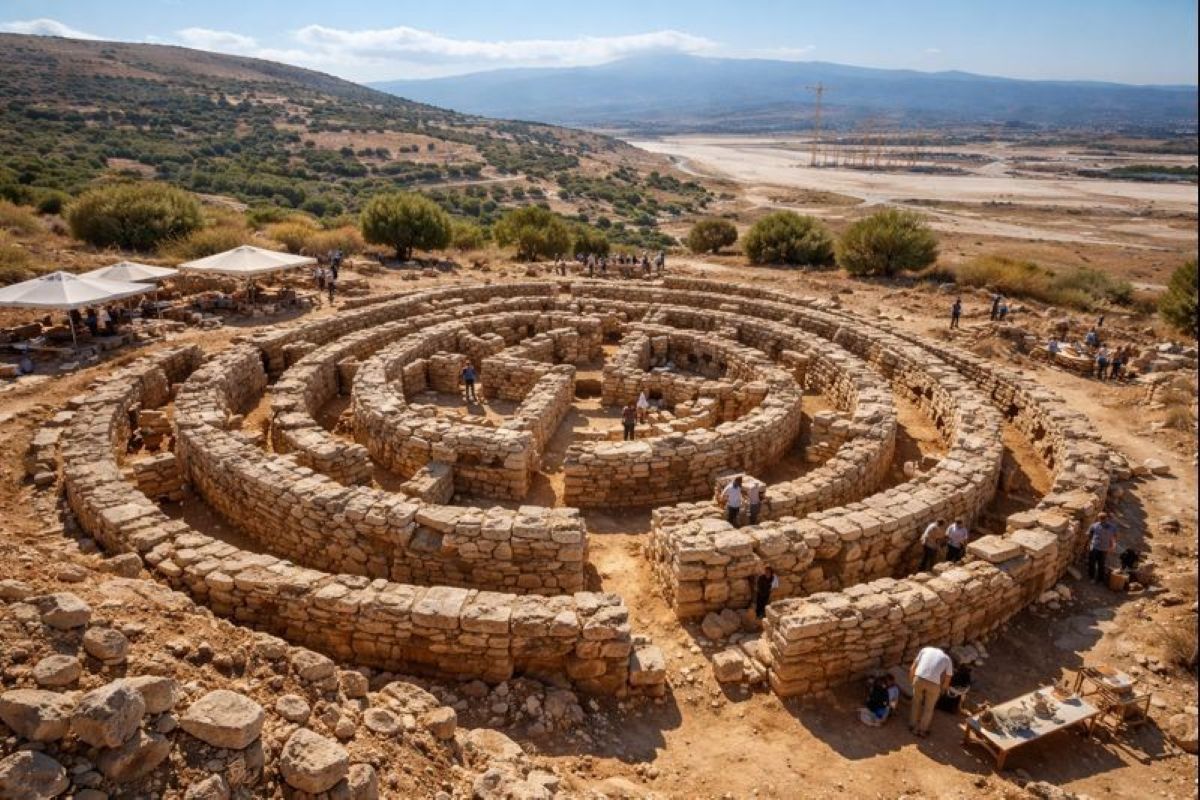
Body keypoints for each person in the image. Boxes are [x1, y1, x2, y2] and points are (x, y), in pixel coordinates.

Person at [909, 645, 954, 737]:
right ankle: (922, 730)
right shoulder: (947, 659)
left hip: (919, 678)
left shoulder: (925, 649)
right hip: (934, 684)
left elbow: (913, 666)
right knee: (929, 708)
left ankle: (912, 725)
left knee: (916, 702)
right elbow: (948, 677)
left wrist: (911, 680)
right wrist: (942, 689)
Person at [1086, 512, 1118, 583]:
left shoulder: (1112, 527)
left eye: (1104, 519)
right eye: (1101, 519)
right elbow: (1089, 535)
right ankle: (1092, 577)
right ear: (1099, 519)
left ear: (1107, 518)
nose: (1103, 520)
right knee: (1092, 562)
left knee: (1101, 563)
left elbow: (1114, 537)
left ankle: (1100, 578)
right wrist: (1088, 544)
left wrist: (1113, 546)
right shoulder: (1094, 525)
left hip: (1104, 548)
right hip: (1095, 547)